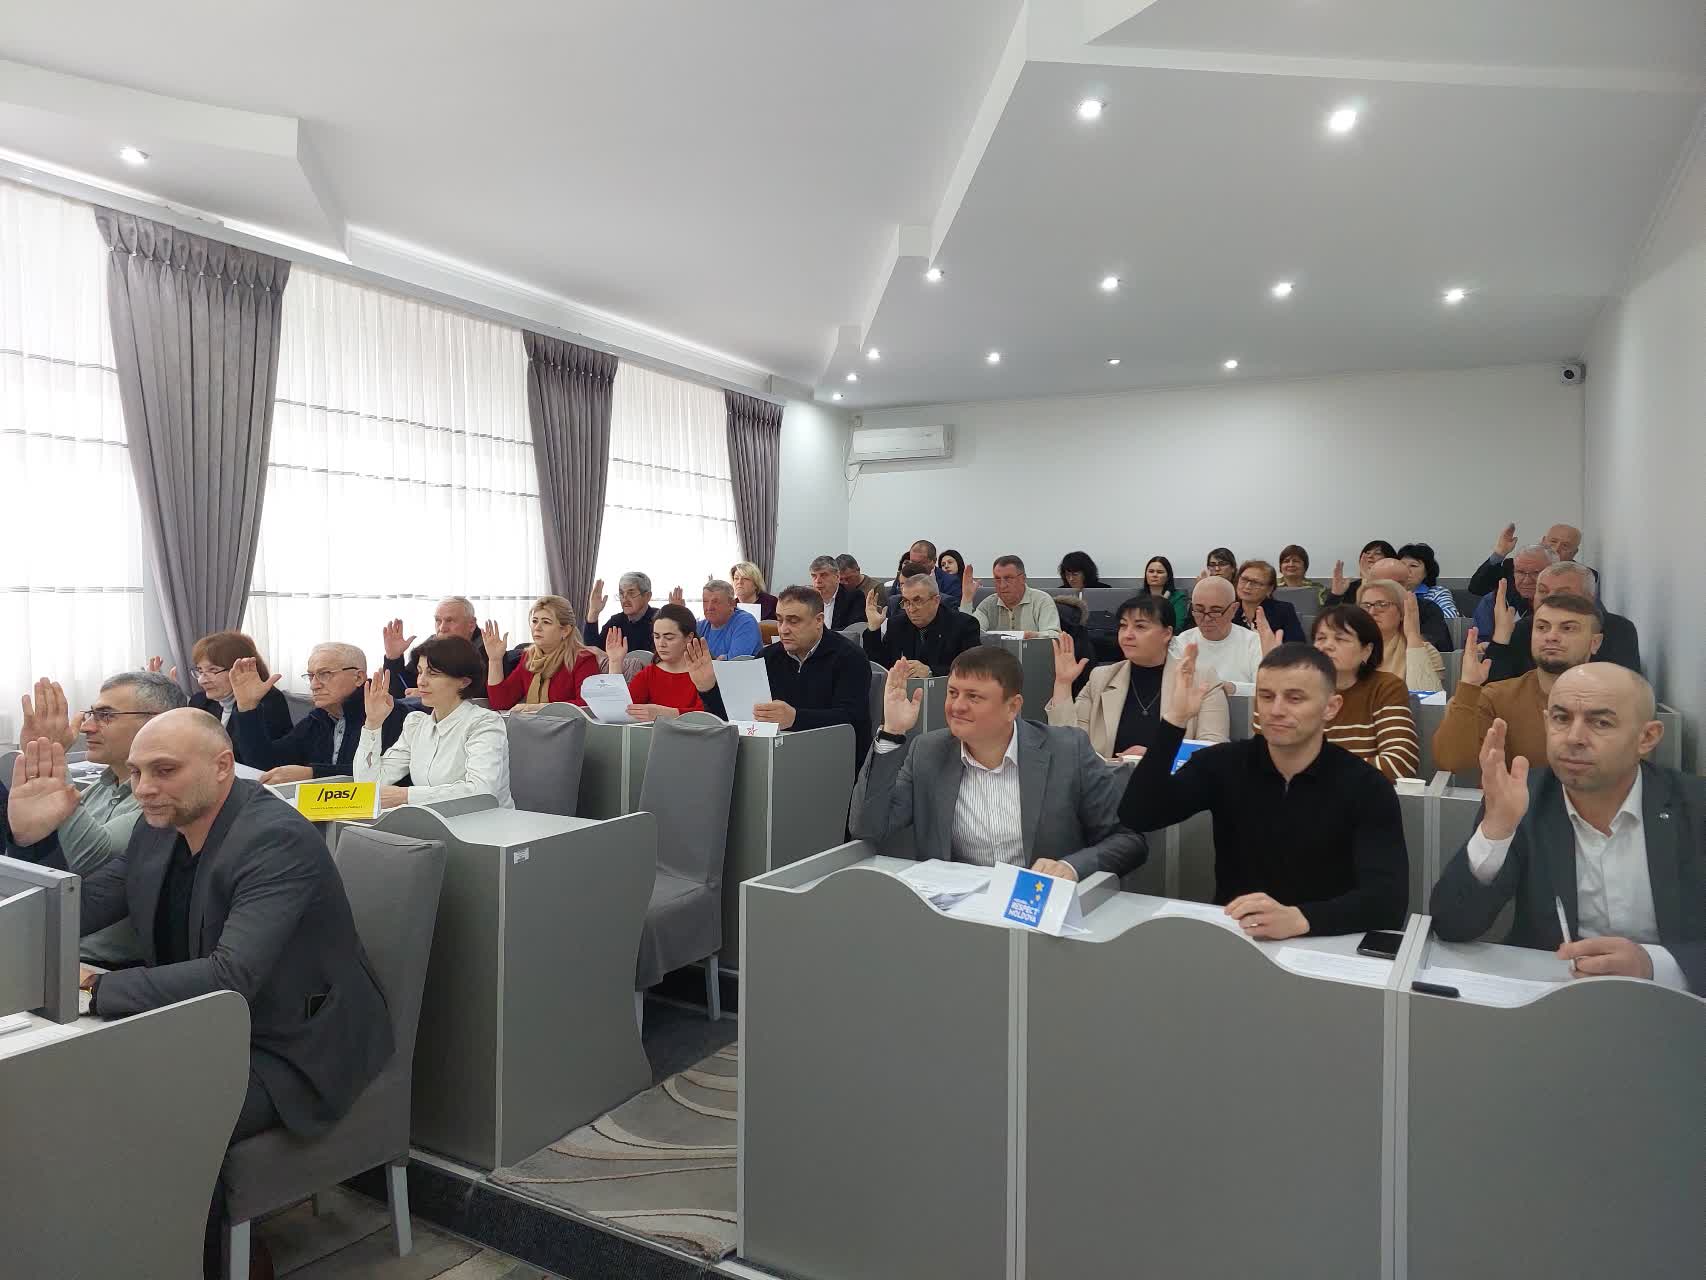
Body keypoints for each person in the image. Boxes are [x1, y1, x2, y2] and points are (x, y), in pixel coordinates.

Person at [9, 709, 394, 1279]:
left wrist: (97, 986)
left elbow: (230, 977)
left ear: (222, 766)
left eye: (163, 770)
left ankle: (202, 1259)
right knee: (69, 1089)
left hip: (291, 1044)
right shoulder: (158, 824)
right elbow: (83, 905)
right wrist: (34, 842)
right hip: (204, 1025)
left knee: (145, 1114)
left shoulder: (273, 838)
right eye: (136, 772)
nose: (144, 787)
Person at [1430, 665, 1702, 994]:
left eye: (1601, 723)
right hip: (1551, 1000)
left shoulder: (1695, 807)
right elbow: (1452, 924)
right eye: (1561, 719)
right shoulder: (1525, 799)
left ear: (1647, 738)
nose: (1574, 738)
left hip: (1677, 1005)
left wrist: (1654, 966)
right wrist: (1495, 831)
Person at [1120, 643, 1409, 937]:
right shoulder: (1223, 764)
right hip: (1235, 934)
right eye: (1267, 696)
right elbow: (1138, 814)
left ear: (1330, 707)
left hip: (1326, 941)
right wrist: (1174, 721)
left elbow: (1388, 902)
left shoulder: (1366, 785)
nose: (1276, 710)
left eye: (1295, 698)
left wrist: (1301, 919)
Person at [852, 647, 1144, 881]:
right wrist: (892, 731)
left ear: (1012, 707)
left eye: (974, 697)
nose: (957, 706)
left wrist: (1071, 868)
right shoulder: (927, 752)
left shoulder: (1067, 750)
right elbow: (868, 827)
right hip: (955, 913)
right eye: (953, 693)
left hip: (1040, 911)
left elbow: (1127, 840)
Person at [3, 671, 186, 967]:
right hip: (53, 947)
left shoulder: (166, 799)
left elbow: (91, 860)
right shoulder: (103, 786)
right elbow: (50, 875)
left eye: (105, 716)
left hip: (104, 969)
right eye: (91, 714)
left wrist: (54, 759)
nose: (87, 727)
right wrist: (26, 840)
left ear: (157, 722)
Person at [687, 584, 872, 762]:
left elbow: (852, 717)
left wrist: (796, 718)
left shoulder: (849, 657)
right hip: (777, 755)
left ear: (818, 621)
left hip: (832, 756)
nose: (783, 629)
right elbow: (740, 717)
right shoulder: (768, 656)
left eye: (793, 621)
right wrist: (708, 688)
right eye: (780, 620)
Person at [1433, 593, 1603, 773]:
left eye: (1567, 628)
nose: (1551, 636)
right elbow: (1453, 763)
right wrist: (1468, 687)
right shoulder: (1497, 697)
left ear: (1595, 642)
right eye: (1542, 627)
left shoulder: (1616, 699)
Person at [1048, 594, 1230, 758]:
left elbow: (1214, 750)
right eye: (1123, 626)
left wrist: (1156, 756)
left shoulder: (1201, 679)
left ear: (1167, 633)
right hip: (1107, 780)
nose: (1127, 635)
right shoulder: (1101, 678)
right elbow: (1069, 746)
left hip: (1171, 781)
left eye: (1140, 626)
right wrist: (1063, 684)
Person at [354, 636, 512, 809]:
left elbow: (482, 792)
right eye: (420, 671)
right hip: (432, 820)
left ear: (464, 681)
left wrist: (406, 796)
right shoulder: (416, 724)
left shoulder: (484, 723)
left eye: (432, 674)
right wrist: (373, 723)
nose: (421, 681)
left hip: (485, 821)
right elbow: (367, 785)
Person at [229, 643, 407, 784]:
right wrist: (247, 707)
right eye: (311, 676)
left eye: (324, 674)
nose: (314, 685)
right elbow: (266, 764)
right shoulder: (318, 718)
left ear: (359, 677)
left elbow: (383, 774)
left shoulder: (389, 713)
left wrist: (313, 774)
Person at [1307, 605, 1420, 781]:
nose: (1327, 646)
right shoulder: (1298, 688)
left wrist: (1314, 773)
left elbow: (1400, 764)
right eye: (1320, 638)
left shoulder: (1385, 687)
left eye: (1340, 639)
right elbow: (1269, 759)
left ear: (1367, 650)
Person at [1486, 560, 1641, 680]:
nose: (1549, 599)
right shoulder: (1521, 628)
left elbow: (1624, 688)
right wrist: (1500, 639)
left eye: (1562, 593)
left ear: (1589, 597)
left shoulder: (1618, 629)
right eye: (1543, 591)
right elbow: (1496, 690)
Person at [185, 632, 292, 762]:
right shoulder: (200, 701)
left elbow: (259, 761)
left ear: (241, 669)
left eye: (213, 670)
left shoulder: (268, 702)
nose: (201, 680)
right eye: (200, 671)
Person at [482, 596, 601, 709]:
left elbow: (587, 705)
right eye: (534, 621)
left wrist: (539, 709)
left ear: (565, 630)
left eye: (546, 622)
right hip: (534, 723)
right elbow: (500, 702)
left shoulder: (584, 659)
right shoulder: (529, 657)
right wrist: (495, 660)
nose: (537, 627)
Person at [862, 570, 981, 677]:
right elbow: (881, 667)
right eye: (906, 602)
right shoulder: (897, 624)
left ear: (936, 600)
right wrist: (873, 629)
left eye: (917, 601)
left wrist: (931, 671)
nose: (911, 609)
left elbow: (972, 669)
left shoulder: (964, 625)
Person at [603, 602, 706, 718]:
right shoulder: (650, 673)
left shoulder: (704, 672)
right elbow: (620, 710)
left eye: (669, 638)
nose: (661, 643)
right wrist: (615, 663)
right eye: (657, 636)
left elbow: (710, 715)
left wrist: (666, 714)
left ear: (689, 637)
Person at [380, 596, 487, 699]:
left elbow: (482, 696)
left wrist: (431, 694)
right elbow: (400, 692)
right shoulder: (432, 645)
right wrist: (394, 658)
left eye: (450, 620)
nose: (442, 628)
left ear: (471, 624)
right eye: (438, 620)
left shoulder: (489, 650)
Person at [1170, 576, 1264, 684]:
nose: (1206, 619)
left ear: (1233, 609)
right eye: (1199, 610)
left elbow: (1263, 688)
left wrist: (1232, 688)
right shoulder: (1181, 643)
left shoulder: (1254, 643)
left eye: (1215, 611)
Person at [1356, 578, 1444, 691]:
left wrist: (1412, 634)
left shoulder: (1424, 651)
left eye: (1382, 605)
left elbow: (1428, 698)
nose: (1372, 612)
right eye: (1366, 606)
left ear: (1402, 612)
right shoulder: (1348, 647)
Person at [1468, 521, 1594, 600]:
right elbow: (1477, 588)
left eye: (1565, 546)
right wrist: (1499, 554)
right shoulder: (1516, 565)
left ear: (1574, 552)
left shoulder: (1582, 576)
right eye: (1553, 541)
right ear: (1543, 541)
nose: (1556, 548)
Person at [1471, 542, 1555, 638]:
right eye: (1520, 572)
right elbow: (1479, 640)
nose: (1526, 580)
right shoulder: (1494, 600)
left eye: (1536, 573)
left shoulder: (1564, 604)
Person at [972, 555, 1061, 637]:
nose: (1002, 585)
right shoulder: (988, 604)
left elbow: (1055, 636)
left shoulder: (1042, 600)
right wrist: (967, 601)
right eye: (997, 579)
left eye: (1008, 578)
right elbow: (969, 633)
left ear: (1023, 578)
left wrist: (1033, 636)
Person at [1231, 559, 1306, 643]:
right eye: (1244, 579)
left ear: (1269, 589)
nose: (1247, 586)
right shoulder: (1230, 610)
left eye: (1256, 582)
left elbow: (1297, 646)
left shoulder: (1283, 611)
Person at [582, 573, 658, 652]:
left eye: (631, 593)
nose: (625, 599)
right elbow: (594, 651)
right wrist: (593, 613)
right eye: (621, 593)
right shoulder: (615, 622)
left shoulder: (660, 620)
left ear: (647, 596)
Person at [1324, 539, 1398, 605]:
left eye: (1378, 553)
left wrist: (1368, 581)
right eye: (1367, 553)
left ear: (1390, 560)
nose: (1370, 556)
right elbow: (1328, 615)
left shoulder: (1396, 586)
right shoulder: (1350, 588)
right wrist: (1336, 595)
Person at [1395, 542, 1459, 618]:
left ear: (1427, 572)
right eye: (1402, 564)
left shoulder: (1437, 593)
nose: (1405, 569)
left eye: (1413, 565)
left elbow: (1450, 617)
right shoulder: (1388, 591)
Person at [811, 555, 867, 632]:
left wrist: (821, 635)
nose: (817, 581)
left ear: (837, 577)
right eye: (814, 576)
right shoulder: (808, 599)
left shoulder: (854, 597)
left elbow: (853, 631)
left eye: (823, 575)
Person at [1143, 555, 1191, 630]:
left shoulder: (1179, 597)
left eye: (1160, 572)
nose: (1155, 575)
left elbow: (1177, 626)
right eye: (1151, 571)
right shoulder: (1139, 596)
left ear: (1168, 577)